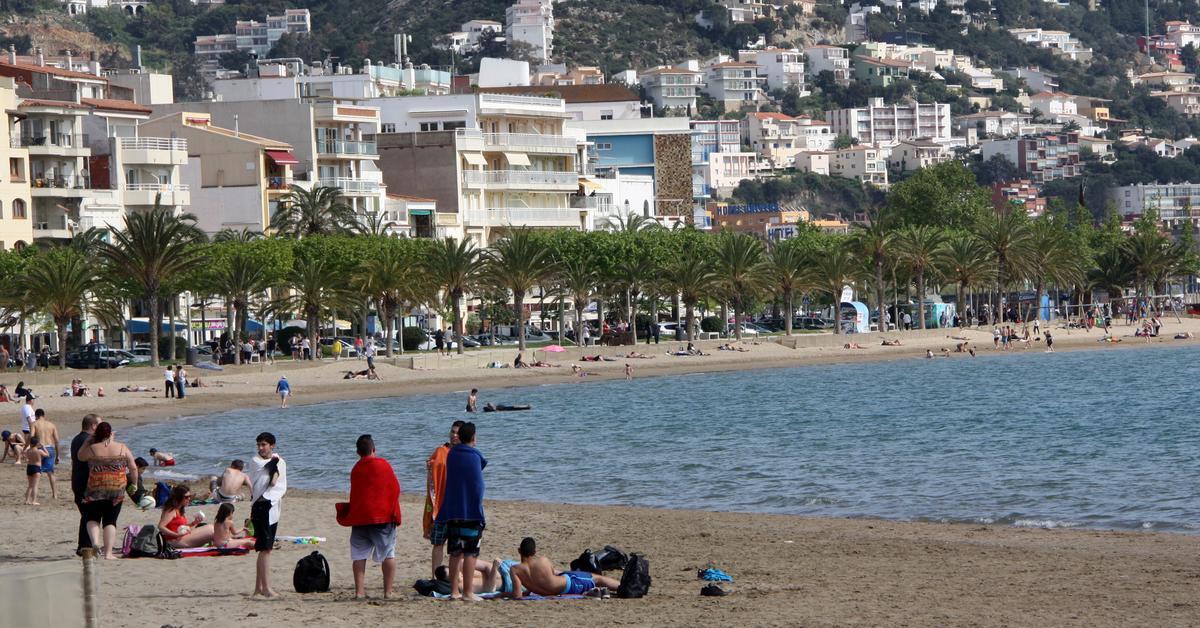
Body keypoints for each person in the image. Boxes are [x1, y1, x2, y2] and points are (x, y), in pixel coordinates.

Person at [336, 434, 403, 599]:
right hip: (381, 517)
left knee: (359, 554)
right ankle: (388, 591)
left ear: (358, 452)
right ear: (374, 449)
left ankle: (359, 592)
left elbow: (357, 494)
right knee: (388, 552)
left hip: (360, 517)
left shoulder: (356, 468)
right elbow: (395, 488)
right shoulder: (383, 465)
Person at [435, 421, 486, 601]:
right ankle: (468, 592)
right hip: (470, 513)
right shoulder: (474, 456)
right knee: (471, 553)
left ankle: (454, 591)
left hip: (453, 512)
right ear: (473, 438)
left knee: (455, 552)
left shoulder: (452, 454)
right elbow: (478, 486)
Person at [77, 421, 137, 560]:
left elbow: (80, 456)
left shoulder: (92, 448)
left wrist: (88, 441)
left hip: (96, 489)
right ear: (110, 433)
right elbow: (133, 467)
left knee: (93, 518)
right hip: (116, 489)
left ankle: (95, 543)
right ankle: (108, 553)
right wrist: (134, 484)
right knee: (110, 521)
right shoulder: (122, 447)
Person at [508, 537, 621, 598]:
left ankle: (603, 590)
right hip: (569, 584)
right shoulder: (543, 560)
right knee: (597, 578)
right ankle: (623, 587)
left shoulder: (515, 570)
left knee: (584, 577)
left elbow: (517, 595)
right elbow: (552, 576)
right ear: (535, 551)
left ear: (519, 551)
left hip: (559, 586)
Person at [250, 432, 287, 597]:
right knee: (265, 549)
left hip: (272, 505)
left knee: (265, 548)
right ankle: (265, 588)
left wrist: (276, 464)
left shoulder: (279, 461)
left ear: (272, 445)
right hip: (261, 506)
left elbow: (277, 482)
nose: (260, 448)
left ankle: (259, 587)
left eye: (264, 445)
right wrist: (275, 464)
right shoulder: (256, 462)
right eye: (259, 445)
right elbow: (271, 481)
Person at [424, 421, 463, 577]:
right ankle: (435, 576)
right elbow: (431, 469)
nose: (454, 435)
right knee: (438, 543)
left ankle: (455, 578)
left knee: (457, 547)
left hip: (457, 508)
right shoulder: (441, 450)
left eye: (457, 433)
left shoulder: (465, 453)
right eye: (452, 432)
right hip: (440, 507)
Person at [70, 414, 98, 555]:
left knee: (87, 514)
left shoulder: (77, 438)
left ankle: (85, 545)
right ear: (93, 426)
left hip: (77, 480)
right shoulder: (87, 440)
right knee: (88, 515)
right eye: (99, 425)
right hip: (84, 482)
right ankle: (84, 546)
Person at [31, 409, 60, 500]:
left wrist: (29, 450)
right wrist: (58, 456)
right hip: (50, 448)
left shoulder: (34, 424)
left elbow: (31, 438)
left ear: (36, 416)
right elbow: (57, 441)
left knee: (36, 471)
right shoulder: (51, 425)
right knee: (50, 472)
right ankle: (54, 494)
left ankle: (33, 494)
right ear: (43, 415)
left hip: (39, 448)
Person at [23, 436, 48, 505]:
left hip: (29, 467)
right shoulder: (39, 451)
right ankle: (34, 501)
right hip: (36, 467)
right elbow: (47, 455)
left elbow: (25, 455)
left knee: (30, 485)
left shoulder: (28, 450)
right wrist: (43, 447)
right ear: (37, 443)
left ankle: (27, 500)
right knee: (35, 485)